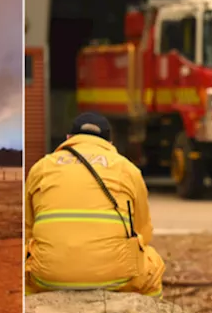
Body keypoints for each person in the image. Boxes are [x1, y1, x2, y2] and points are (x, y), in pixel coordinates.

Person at [24, 112, 164, 298]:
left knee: (24, 270)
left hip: (48, 277)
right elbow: (143, 231)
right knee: (153, 264)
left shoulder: (41, 167)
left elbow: (28, 228)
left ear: (68, 138)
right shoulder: (127, 169)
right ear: (109, 143)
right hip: (115, 277)